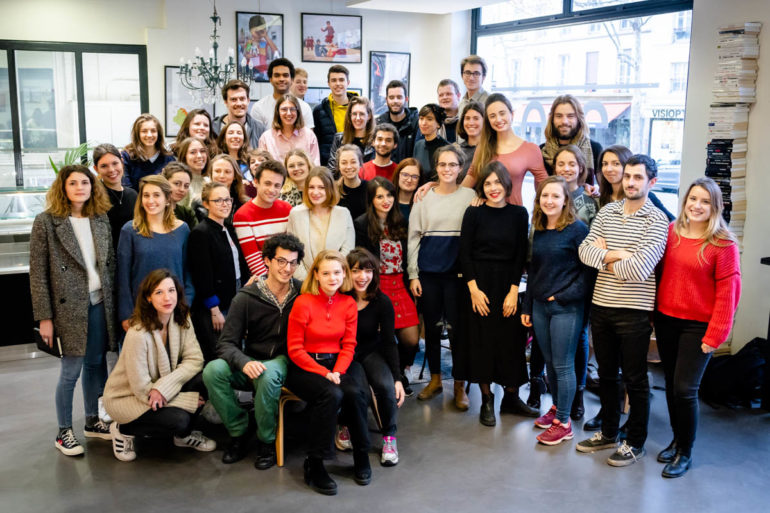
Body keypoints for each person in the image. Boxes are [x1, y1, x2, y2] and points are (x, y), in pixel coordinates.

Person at [576, 154, 668, 467]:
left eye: (638, 177)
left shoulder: (657, 220)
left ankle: (635, 442)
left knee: (635, 379)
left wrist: (604, 255)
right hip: (601, 306)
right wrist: (618, 254)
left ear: (652, 182)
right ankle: (608, 432)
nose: (630, 182)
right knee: (606, 375)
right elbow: (584, 251)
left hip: (634, 312)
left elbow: (640, 269)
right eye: (627, 176)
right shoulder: (608, 211)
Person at [654, 177, 741, 478]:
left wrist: (716, 335)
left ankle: (685, 452)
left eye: (705, 201)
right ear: (685, 201)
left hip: (699, 326)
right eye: (693, 199)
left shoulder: (723, 244)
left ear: (715, 207)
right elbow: (658, 274)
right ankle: (676, 439)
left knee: (685, 389)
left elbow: (729, 294)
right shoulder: (671, 232)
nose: (697, 206)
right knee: (670, 384)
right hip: (666, 319)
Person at [30, 165, 116, 456]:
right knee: (71, 370)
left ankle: (92, 420)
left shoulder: (100, 218)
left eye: (85, 182)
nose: (80, 188)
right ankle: (63, 431)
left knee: (96, 364)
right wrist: (44, 318)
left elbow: (109, 265)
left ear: (93, 187)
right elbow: (38, 274)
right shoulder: (46, 222)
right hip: (67, 308)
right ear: (63, 188)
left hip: (99, 302)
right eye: (73, 183)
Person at [203, 233, 304, 469]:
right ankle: (239, 430)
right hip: (251, 359)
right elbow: (226, 343)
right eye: (281, 261)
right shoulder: (246, 297)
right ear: (267, 260)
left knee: (266, 375)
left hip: (284, 360)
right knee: (213, 371)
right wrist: (244, 362)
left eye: (293, 262)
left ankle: (266, 441)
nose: (287, 268)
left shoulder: (303, 293)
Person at [104, 269, 215, 462]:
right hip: (129, 397)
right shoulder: (137, 334)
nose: (167, 298)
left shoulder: (182, 318)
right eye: (159, 292)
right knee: (179, 420)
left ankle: (183, 437)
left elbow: (195, 359)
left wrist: (163, 388)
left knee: (204, 378)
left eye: (171, 290)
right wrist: (184, 400)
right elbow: (141, 389)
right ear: (148, 298)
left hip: (158, 389)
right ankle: (122, 428)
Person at [285, 250, 371, 494]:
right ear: (316, 275)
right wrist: (324, 373)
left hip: (338, 364)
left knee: (355, 393)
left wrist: (338, 371)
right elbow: (295, 349)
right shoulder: (303, 302)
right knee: (331, 394)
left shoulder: (348, 303)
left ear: (344, 274)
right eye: (326, 273)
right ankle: (315, 463)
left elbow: (349, 345)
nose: (332, 278)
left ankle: (361, 455)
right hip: (305, 365)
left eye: (337, 272)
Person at [459, 162, 530, 426]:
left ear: (506, 184)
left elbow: (520, 255)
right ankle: (487, 399)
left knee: (511, 342)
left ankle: (511, 397)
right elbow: (464, 253)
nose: (493, 188)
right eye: (488, 183)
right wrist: (473, 290)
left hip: (507, 285)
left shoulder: (519, 213)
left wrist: (513, 291)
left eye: (497, 182)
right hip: (478, 285)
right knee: (482, 342)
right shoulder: (473, 213)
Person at [520, 176, 589, 445]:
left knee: (562, 364)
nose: (549, 201)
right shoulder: (538, 228)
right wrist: (528, 305)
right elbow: (533, 271)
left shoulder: (577, 230)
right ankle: (558, 408)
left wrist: (561, 296)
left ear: (565, 200)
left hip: (565, 308)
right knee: (550, 363)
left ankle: (564, 423)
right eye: (544, 196)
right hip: (539, 306)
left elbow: (588, 275)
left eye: (555, 196)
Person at [408, 146, 475, 404]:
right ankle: (435, 379)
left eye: (452, 164)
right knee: (433, 329)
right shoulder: (423, 197)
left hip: (458, 276)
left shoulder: (470, 196)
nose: (447, 169)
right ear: (436, 168)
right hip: (429, 274)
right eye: (442, 164)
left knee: (459, 331)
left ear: (461, 168)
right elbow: (413, 237)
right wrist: (413, 274)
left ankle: (459, 385)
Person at [355, 177, 420, 394]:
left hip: (400, 283)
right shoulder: (362, 224)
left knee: (411, 339)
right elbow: (362, 260)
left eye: (390, 195)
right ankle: (393, 377)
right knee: (383, 336)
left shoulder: (401, 221)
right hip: (377, 285)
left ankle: (401, 370)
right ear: (371, 200)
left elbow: (410, 253)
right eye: (380, 196)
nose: (386, 200)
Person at [345, 248, 405, 466]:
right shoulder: (341, 299)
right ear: (347, 273)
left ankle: (389, 437)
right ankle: (345, 425)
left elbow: (389, 341)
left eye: (368, 271)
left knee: (386, 387)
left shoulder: (382, 302)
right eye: (356, 271)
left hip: (371, 351)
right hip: (346, 355)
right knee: (356, 391)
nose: (363, 276)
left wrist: (397, 378)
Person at [116, 175, 194, 331]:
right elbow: (122, 276)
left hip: (174, 309)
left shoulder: (182, 229)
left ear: (167, 199)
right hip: (141, 310)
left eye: (156, 195)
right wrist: (126, 314)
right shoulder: (130, 230)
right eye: (146, 195)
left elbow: (188, 272)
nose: (150, 200)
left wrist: (186, 304)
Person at [188, 182, 249, 362]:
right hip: (215, 305)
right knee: (219, 352)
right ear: (206, 204)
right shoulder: (201, 233)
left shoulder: (228, 228)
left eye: (228, 199)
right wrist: (214, 310)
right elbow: (202, 275)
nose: (225, 204)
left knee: (235, 347)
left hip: (234, 295)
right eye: (218, 200)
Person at [464, 94, 548, 206]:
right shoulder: (483, 147)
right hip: (485, 212)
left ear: (512, 114)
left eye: (502, 113)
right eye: (492, 116)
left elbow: (544, 188)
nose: (498, 119)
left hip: (514, 213)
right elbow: (472, 176)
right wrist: (448, 194)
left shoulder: (530, 149)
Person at [287, 166, 354, 281]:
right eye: (311, 187)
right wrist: (307, 282)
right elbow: (292, 252)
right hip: (304, 281)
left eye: (321, 187)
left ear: (330, 189)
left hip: (335, 281)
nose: (315, 192)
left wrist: (330, 278)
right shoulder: (296, 214)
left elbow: (347, 252)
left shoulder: (343, 213)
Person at [234, 159, 292, 277]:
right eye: (267, 183)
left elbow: (293, 249)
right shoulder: (242, 215)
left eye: (277, 185)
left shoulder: (287, 209)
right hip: (264, 279)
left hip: (289, 273)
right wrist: (274, 282)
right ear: (256, 182)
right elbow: (253, 260)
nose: (272, 190)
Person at [598, 144, 675, 221]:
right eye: (605, 164)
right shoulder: (600, 196)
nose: (608, 169)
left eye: (616, 164)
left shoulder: (644, 196)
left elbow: (672, 221)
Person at [540, 95, 603, 182]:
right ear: (552, 119)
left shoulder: (594, 148)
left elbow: (605, 186)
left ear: (579, 119)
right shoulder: (542, 151)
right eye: (559, 116)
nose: (564, 121)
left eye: (570, 116)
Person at [92, 143, 138, 253]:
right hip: (104, 258)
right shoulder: (93, 196)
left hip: (131, 256)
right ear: (96, 169)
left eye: (115, 163)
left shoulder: (133, 195)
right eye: (104, 166)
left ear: (122, 163)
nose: (111, 170)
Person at [250, 58, 314, 130]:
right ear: (270, 79)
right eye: (277, 75)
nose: (281, 79)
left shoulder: (304, 107)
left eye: (285, 75)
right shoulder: (259, 107)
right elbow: (256, 136)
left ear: (292, 79)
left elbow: (309, 136)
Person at [258, 94, 320, 165]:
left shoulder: (309, 136)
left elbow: (315, 165)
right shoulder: (266, 138)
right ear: (278, 112)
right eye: (284, 109)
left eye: (292, 109)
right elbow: (262, 167)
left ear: (297, 111)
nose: (289, 113)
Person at [313, 65, 356, 166]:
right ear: (328, 83)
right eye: (333, 80)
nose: (338, 84)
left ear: (348, 82)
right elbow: (316, 142)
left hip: (354, 162)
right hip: (328, 164)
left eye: (341, 80)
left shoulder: (358, 108)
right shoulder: (319, 111)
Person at [121, 114, 175, 189]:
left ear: (158, 133)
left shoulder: (168, 158)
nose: (149, 135)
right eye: (144, 131)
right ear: (137, 134)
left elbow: (171, 187)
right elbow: (126, 188)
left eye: (153, 131)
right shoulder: (126, 157)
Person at [212, 79, 266, 150]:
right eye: (233, 99)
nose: (239, 103)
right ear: (226, 102)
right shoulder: (213, 128)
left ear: (248, 101)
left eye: (242, 99)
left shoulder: (260, 129)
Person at [375, 80, 420, 163]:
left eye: (399, 97)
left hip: (408, 170)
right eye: (391, 97)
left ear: (406, 99)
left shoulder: (417, 123)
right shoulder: (379, 124)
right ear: (386, 100)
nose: (395, 101)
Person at [553, 145, 599, 227]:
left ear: (580, 168)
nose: (566, 169)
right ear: (555, 168)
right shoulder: (546, 195)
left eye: (572, 164)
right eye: (561, 164)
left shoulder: (591, 197)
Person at [327, 96, 375, 172]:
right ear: (350, 116)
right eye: (354, 114)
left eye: (362, 114)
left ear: (369, 116)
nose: (358, 118)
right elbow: (332, 170)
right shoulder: (339, 139)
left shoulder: (376, 141)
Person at [413, 104, 449, 183]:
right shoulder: (418, 145)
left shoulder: (446, 148)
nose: (423, 123)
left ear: (438, 124)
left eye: (429, 119)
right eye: (421, 118)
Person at [173, 137, 209, 209]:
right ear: (184, 156)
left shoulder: (209, 181)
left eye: (202, 151)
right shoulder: (181, 185)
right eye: (193, 152)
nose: (199, 156)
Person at [336, 144, 368, 220]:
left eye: (353, 162)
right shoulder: (333, 190)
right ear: (339, 166)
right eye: (344, 163)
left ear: (360, 164)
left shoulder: (370, 188)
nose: (349, 167)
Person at [454, 101, 484, 182]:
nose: (471, 123)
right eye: (467, 118)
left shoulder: (490, 150)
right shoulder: (455, 150)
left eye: (476, 118)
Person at [162, 162, 198, 229]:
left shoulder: (187, 213)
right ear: (164, 182)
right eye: (177, 184)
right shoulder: (153, 209)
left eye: (186, 186)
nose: (182, 189)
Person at [392, 158, 421, 222]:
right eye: (405, 175)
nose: (409, 180)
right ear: (398, 175)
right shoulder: (388, 200)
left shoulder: (423, 204)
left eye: (414, 177)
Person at [437, 79, 462, 143]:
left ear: (458, 96)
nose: (444, 97)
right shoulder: (434, 122)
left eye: (448, 94)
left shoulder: (466, 120)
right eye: (441, 95)